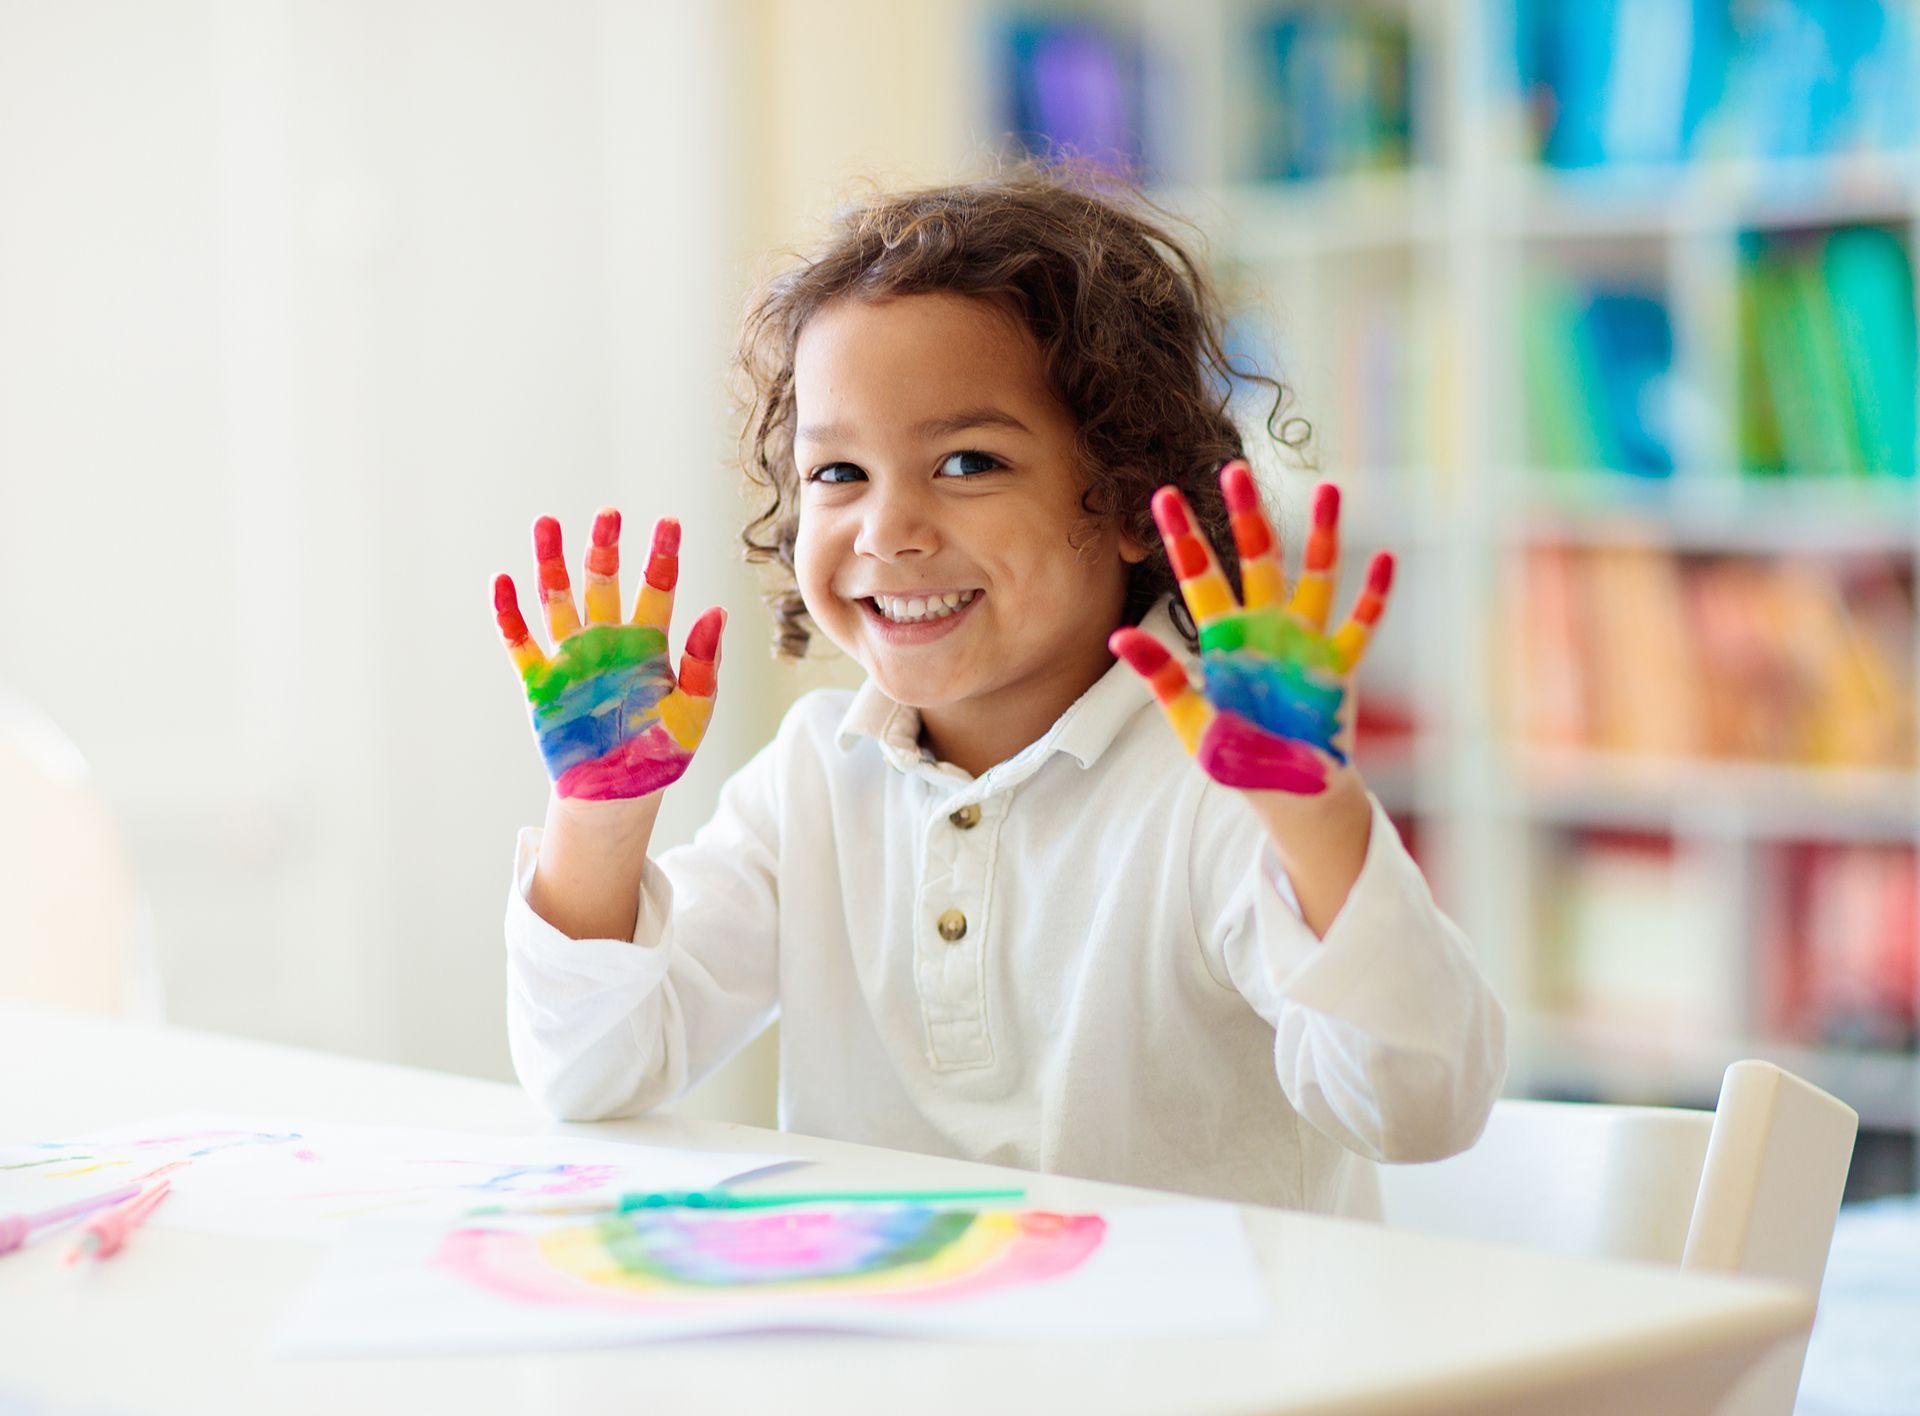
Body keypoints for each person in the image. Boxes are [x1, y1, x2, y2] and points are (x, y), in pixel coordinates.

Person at [492, 166, 1505, 1213]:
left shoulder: (1219, 789)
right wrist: (599, 825)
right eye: (838, 474)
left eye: (968, 462)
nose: (887, 530)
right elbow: (589, 1077)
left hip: (1204, 1369)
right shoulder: (812, 780)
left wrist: (1315, 820)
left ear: (1128, 499)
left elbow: (1420, 1110)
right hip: (904, 1358)